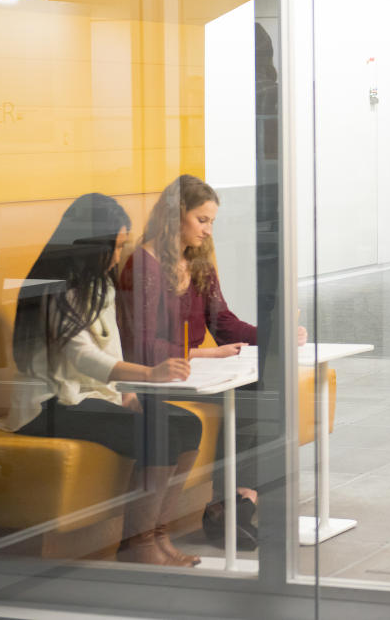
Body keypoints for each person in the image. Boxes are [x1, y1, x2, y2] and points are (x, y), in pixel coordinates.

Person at [2, 193, 203, 567]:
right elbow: (80, 355)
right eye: (115, 247)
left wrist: (125, 394)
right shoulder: (50, 286)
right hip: (49, 405)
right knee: (157, 430)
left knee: (187, 424)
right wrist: (146, 375)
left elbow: (112, 350)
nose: (117, 256)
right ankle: (137, 545)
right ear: (92, 244)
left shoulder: (100, 285)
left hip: (90, 396)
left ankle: (158, 535)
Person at [116, 174, 306, 546]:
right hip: (155, 377)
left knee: (262, 388)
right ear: (175, 216)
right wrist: (199, 352)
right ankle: (226, 511)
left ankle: (236, 501)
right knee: (250, 395)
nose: (207, 231)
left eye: (212, 222)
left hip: (192, 372)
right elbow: (139, 347)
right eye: (202, 220)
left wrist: (274, 337)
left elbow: (223, 323)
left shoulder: (199, 263)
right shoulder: (142, 267)